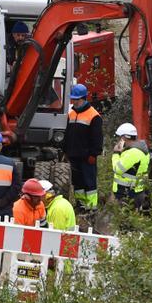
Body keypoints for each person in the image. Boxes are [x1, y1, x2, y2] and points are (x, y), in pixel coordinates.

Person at [63, 83, 103, 212]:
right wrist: (66, 151)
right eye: (73, 99)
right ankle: (80, 205)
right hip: (73, 155)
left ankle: (91, 207)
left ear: (83, 98)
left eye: (76, 99)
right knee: (77, 182)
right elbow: (67, 134)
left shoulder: (94, 115)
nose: (73, 102)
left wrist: (94, 154)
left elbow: (97, 138)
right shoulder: (71, 113)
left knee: (89, 182)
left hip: (87, 156)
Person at [111, 122, 151, 211]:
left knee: (123, 221)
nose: (118, 140)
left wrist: (116, 153)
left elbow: (117, 169)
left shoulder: (133, 152)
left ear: (124, 138)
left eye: (119, 137)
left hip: (127, 193)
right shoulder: (140, 150)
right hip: (136, 192)